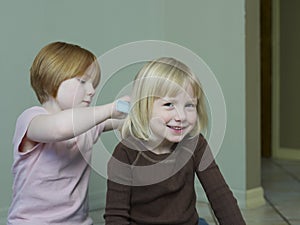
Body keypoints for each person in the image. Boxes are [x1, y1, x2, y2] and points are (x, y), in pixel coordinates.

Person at [104, 57, 246, 225]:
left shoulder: (195, 144)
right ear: (144, 106)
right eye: (169, 104)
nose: (181, 117)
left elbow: (220, 195)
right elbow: (116, 216)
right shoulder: (125, 153)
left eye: (189, 105)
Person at [7, 41, 129, 225]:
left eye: (94, 84)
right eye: (82, 81)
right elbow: (60, 129)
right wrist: (111, 108)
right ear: (51, 79)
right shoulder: (32, 119)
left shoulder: (88, 124)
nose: (91, 91)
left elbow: (126, 122)